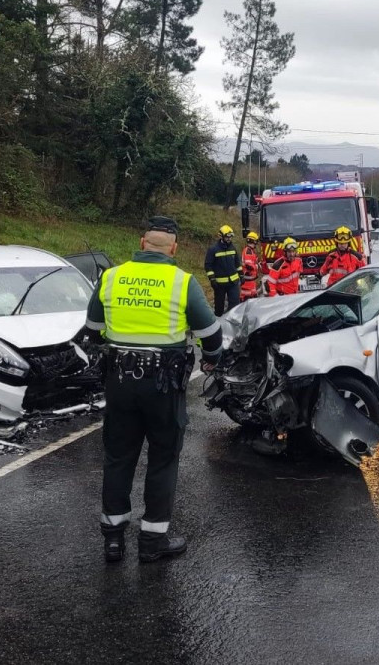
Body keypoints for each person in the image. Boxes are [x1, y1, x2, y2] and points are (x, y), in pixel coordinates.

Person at [80, 216, 223, 564]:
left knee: (118, 457)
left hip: (120, 382)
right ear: (173, 249)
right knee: (162, 460)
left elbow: (93, 329)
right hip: (163, 385)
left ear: (142, 243)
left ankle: (113, 541)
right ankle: (151, 542)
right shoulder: (182, 282)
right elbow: (211, 335)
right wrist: (211, 360)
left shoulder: (110, 277)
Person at [205, 224, 241, 314]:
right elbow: (208, 265)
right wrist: (212, 279)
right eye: (227, 237)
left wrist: (242, 275)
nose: (229, 239)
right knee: (219, 307)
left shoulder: (233, 248)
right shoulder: (213, 249)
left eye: (230, 237)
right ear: (221, 236)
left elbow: (237, 263)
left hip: (233, 283)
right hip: (219, 284)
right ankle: (219, 322)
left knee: (235, 305)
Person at [240, 231, 262, 301]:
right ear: (254, 241)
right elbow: (250, 266)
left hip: (250, 281)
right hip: (247, 281)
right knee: (247, 300)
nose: (256, 243)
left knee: (253, 297)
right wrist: (258, 266)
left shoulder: (250, 251)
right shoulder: (248, 251)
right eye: (256, 241)